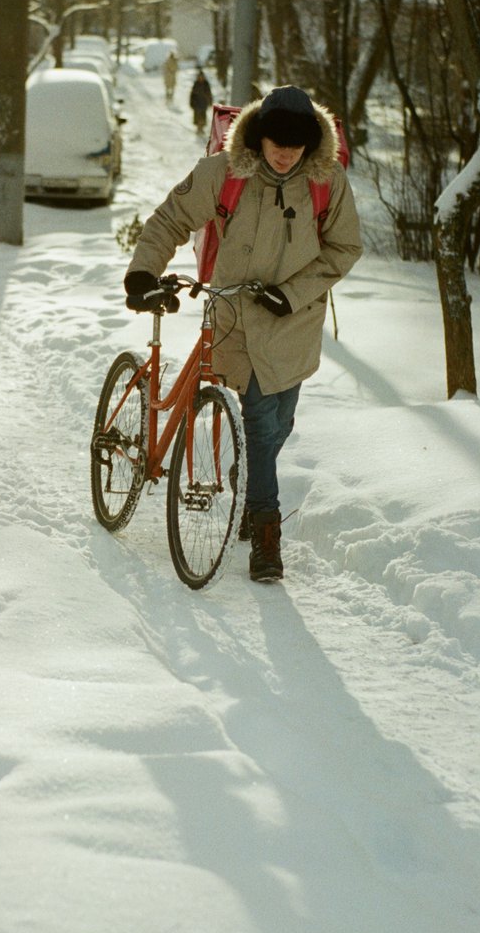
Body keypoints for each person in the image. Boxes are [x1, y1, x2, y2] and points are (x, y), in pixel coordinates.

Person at [123, 84, 363, 582]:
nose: (284, 155)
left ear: (311, 145)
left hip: (293, 320)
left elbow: (344, 248)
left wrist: (293, 294)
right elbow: (170, 219)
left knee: (278, 425)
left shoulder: (327, 182)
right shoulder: (225, 173)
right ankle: (266, 536)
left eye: (295, 147)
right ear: (258, 138)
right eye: (276, 144)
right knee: (257, 420)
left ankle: (252, 483)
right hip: (234, 314)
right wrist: (143, 273)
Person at [189, 68, 212, 133]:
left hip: (204, 103)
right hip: (197, 103)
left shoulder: (206, 84)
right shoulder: (196, 84)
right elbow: (192, 94)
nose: (201, 78)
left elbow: (209, 93)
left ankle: (201, 127)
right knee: (197, 115)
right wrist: (191, 102)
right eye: (200, 76)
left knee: (203, 115)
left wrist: (210, 101)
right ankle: (198, 127)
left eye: (202, 77)